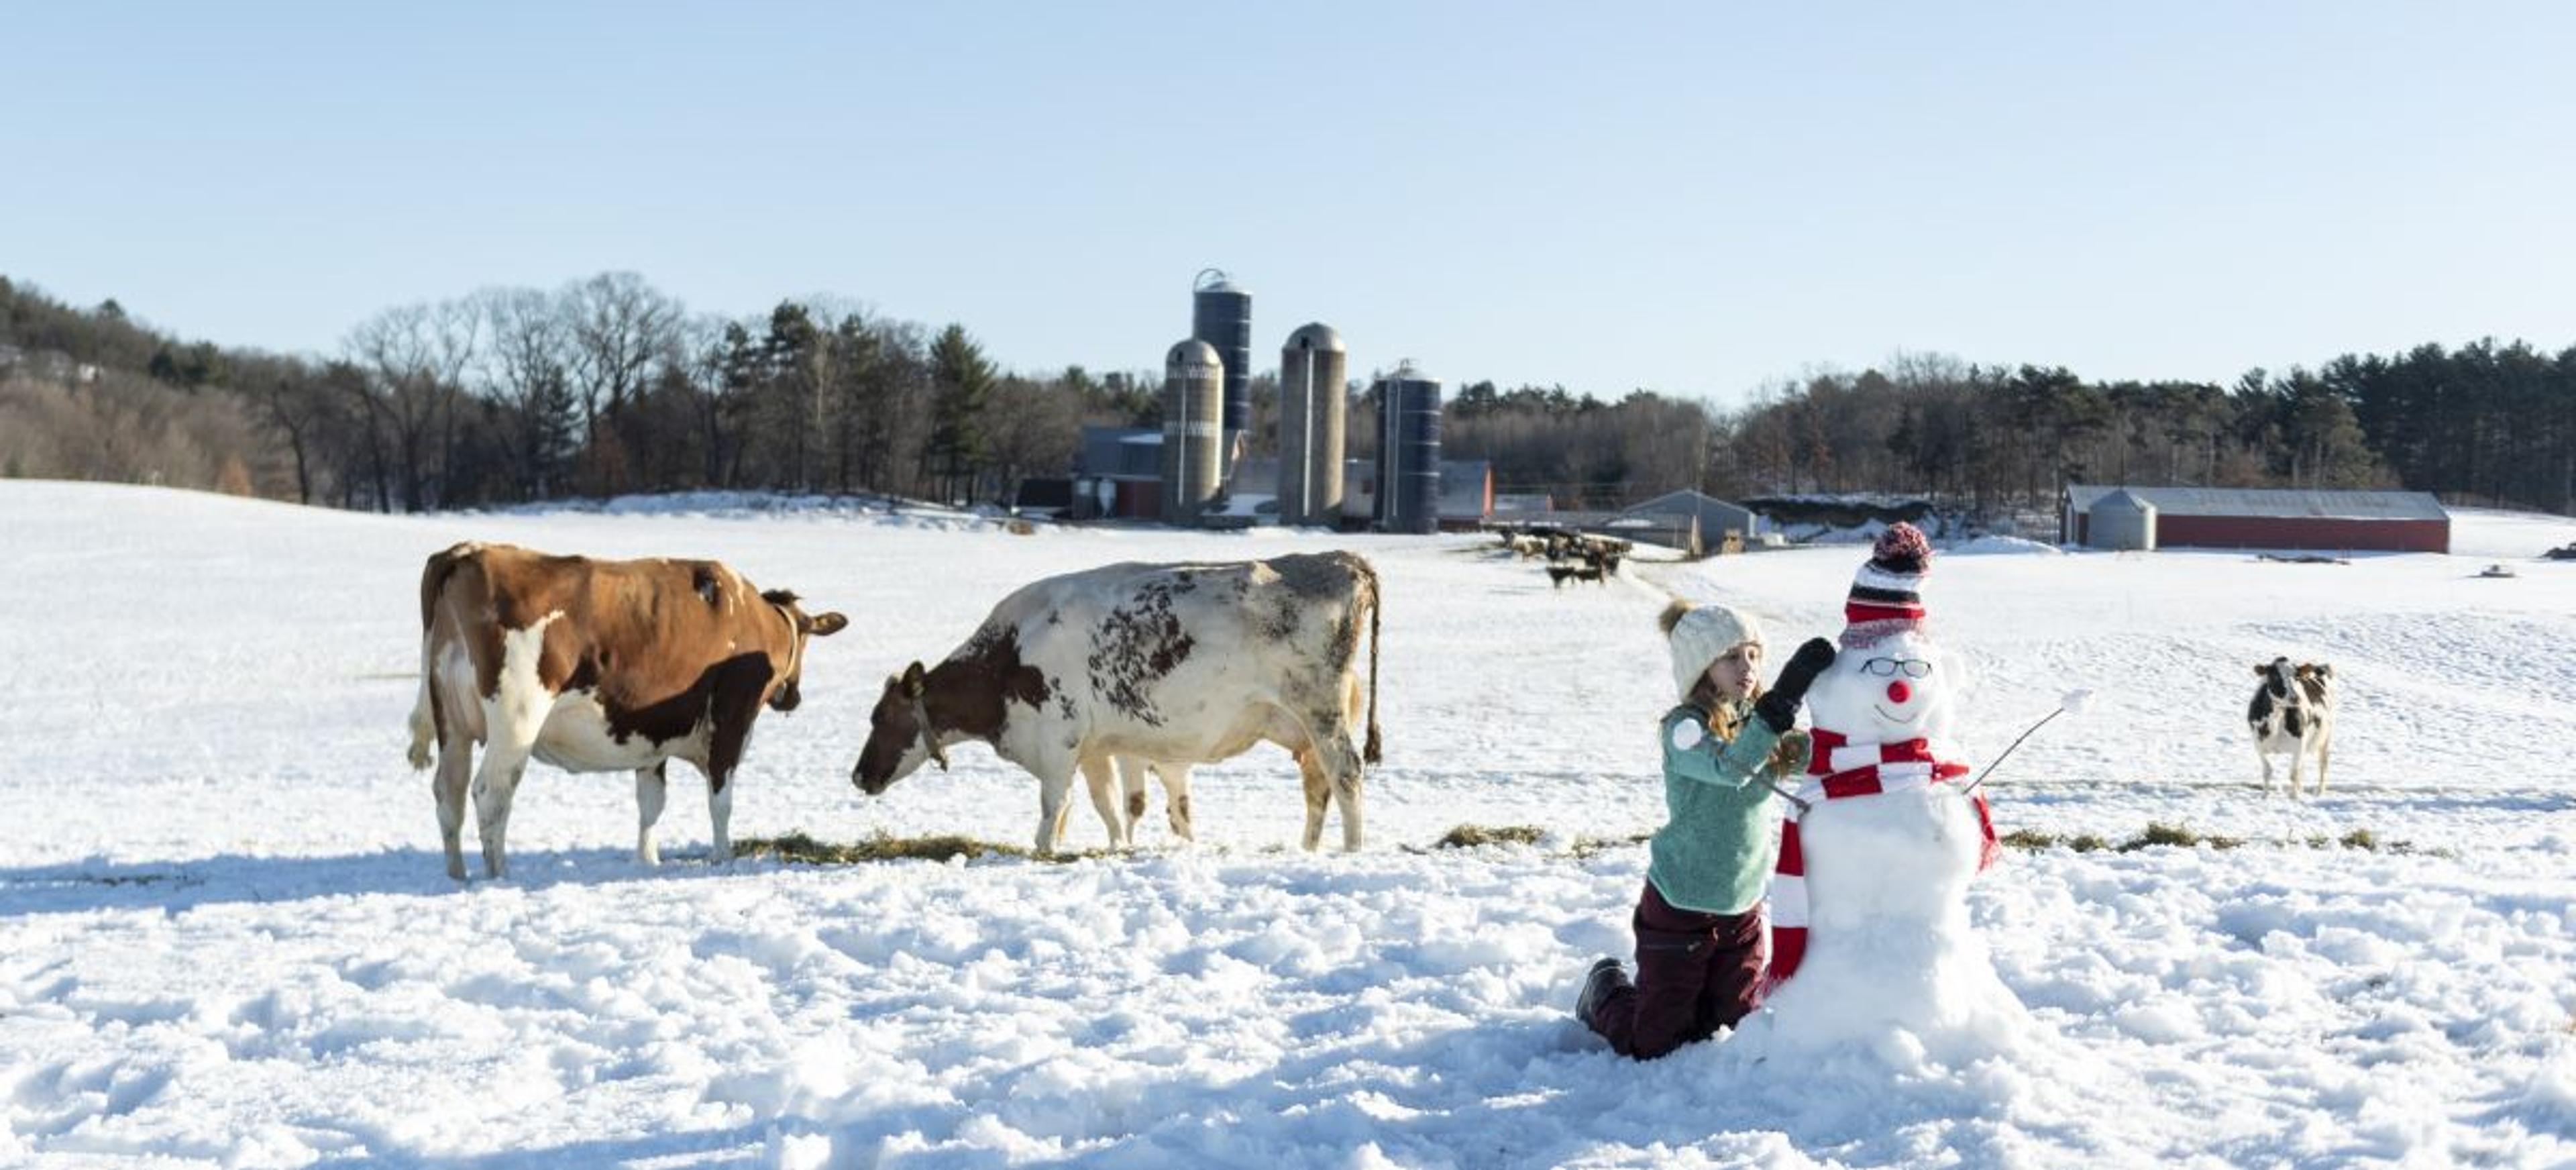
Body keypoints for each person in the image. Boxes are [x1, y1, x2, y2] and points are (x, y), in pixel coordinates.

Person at [1573, 600, 1836, 1059]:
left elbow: (1819, 757)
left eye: (1754, 655)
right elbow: (1731, 767)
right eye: (1732, 657)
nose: (1747, 667)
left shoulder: (1758, 723)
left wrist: (1877, 741)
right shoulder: (1683, 730)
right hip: (1680, 906)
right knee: (1653, 1043)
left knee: (1730, 1026)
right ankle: (1605, 990)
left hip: (1742, 905)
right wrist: (1782, 702)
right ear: (1701, 668)